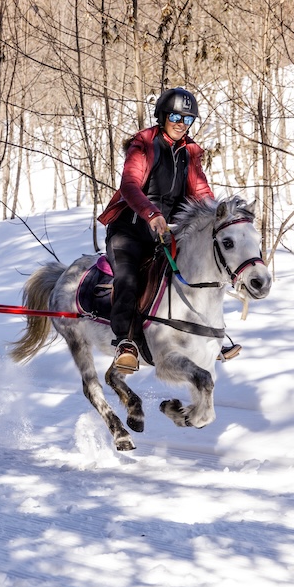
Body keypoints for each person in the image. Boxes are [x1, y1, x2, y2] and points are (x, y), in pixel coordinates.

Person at [97, 87, 217, 373]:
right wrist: (151, 214)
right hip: (129, 230)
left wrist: (220, 216)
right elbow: (129, 185)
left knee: (196, 275)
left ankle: (204, 337)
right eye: (175, 116)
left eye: (187, 119)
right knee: (128, 278)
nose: (181, 123)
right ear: (162, 116)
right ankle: (125, 343)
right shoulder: (144, 144)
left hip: (166, 234)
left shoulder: (190, 152)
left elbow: (202, 193)